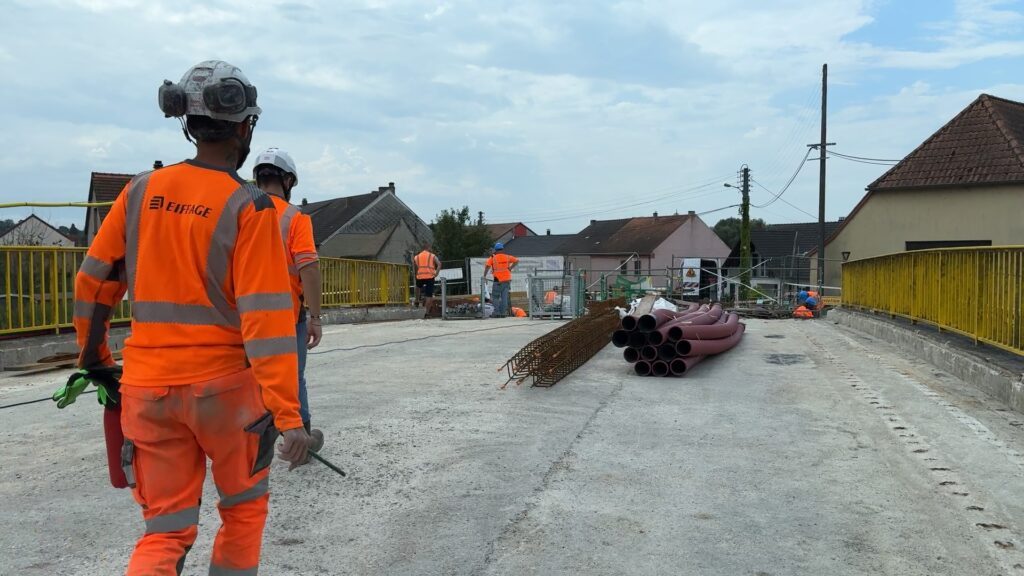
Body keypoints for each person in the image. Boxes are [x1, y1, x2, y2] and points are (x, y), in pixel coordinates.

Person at [74, 60, 311, 575]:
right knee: (242, 514)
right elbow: (267, 323)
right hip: (226, 396)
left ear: (186, 122)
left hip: (147, 391)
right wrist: (289, 416)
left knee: (165, 530)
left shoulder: (138, 193)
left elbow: (92, 284)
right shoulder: (250, 208)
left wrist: (96, 361)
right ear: (245, 126)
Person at [253, 147, 325, 443]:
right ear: (289, 181)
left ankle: (252, 441)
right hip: (285, 315)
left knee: (248, 380)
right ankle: (303, 440)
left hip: (242, 316)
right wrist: (316, 318)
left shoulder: (237, 212)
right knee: (292, 378)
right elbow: (308, 268)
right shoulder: (294, 218)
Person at [483, 242, 518, 318]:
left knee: (495, 297)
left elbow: (487, 267)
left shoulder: (493, 258)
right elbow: (516, 260)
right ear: (502, 249)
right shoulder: (507, 257)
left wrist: (484, 276)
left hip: (498, 281)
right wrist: (510, 268)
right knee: (504, 298)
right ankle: (503, 313)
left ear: (495, 249)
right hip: (507, 280)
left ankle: (497, 312)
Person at [413, 243, 441, 310]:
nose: (431, 249)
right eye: (430, 248)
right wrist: (436, 273)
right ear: (428, 248)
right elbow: (439, 264)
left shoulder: (417, 257)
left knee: (417, 287)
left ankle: (417, 300)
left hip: (420, 276)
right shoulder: (432, 256)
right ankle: (426, 312)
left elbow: (415, 267)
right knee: (429, 295)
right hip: (430, 277)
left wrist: (417, 274)